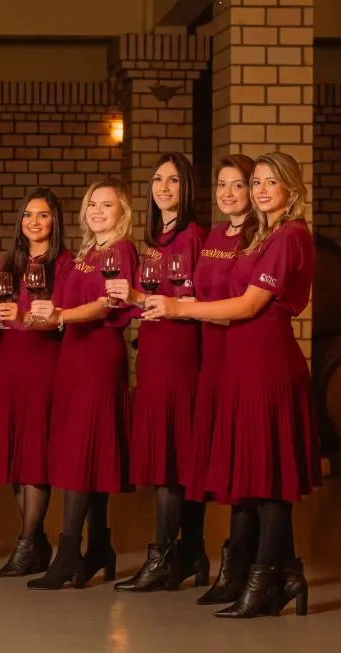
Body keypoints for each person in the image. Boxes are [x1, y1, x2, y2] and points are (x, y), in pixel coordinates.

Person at [144, 151, 320, 618]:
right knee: (252, 477)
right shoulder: (259, 235)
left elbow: (245, 306)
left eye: (266, 183)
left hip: (266, 365)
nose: (259, 191)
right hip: (236, 365)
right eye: (255, 182)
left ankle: (264, 580)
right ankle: (276, 575)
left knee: (269, 483)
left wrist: (179, 309)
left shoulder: (289, 235)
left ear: (291, 189)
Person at [106, 153, 210, 592]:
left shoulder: (192, 236)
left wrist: (133, 293)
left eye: (173, 180)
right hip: (152, 353)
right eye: (157, 179)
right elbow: (151, 300)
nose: (163, 187)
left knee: (172, 456)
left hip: (179, 355)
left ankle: (165, 555)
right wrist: (132, 300)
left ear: (187, 189)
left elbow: (188, 302)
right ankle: (193, 554)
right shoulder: (155, 238)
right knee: (172, 454)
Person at [27, 179, 137, 590]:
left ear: (121, 213)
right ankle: (100, 546)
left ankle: (69, 549)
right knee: (87, 450)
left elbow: (106, 303)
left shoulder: (121, 250)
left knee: (80, 451)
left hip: (97, 355)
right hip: (73, 355)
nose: (97, 211)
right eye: (92, 204)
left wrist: (60, 316)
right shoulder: (86, 252)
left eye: (106, 205)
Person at [0, 188, 72, 578]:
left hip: (43, 364)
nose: (34, 222)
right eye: (28, 215)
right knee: (17, 455)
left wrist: (30, 314)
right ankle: (35, 543)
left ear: (56, 221)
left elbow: (64, 316)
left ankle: (25, 541)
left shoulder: (65, 264)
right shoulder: (11, 261)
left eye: (43, 215)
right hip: (9, 364)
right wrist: (1, 314)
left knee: (35, 456)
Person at [190, 155, 261, 606]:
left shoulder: (259, 238)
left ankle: (240, 565)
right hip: (209, 357)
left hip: (241, 352)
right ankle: (236, 565)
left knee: (246, 462)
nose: (228, 193)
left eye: (237, 185)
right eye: (222, 185)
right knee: (226, 460)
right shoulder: (216, 235)